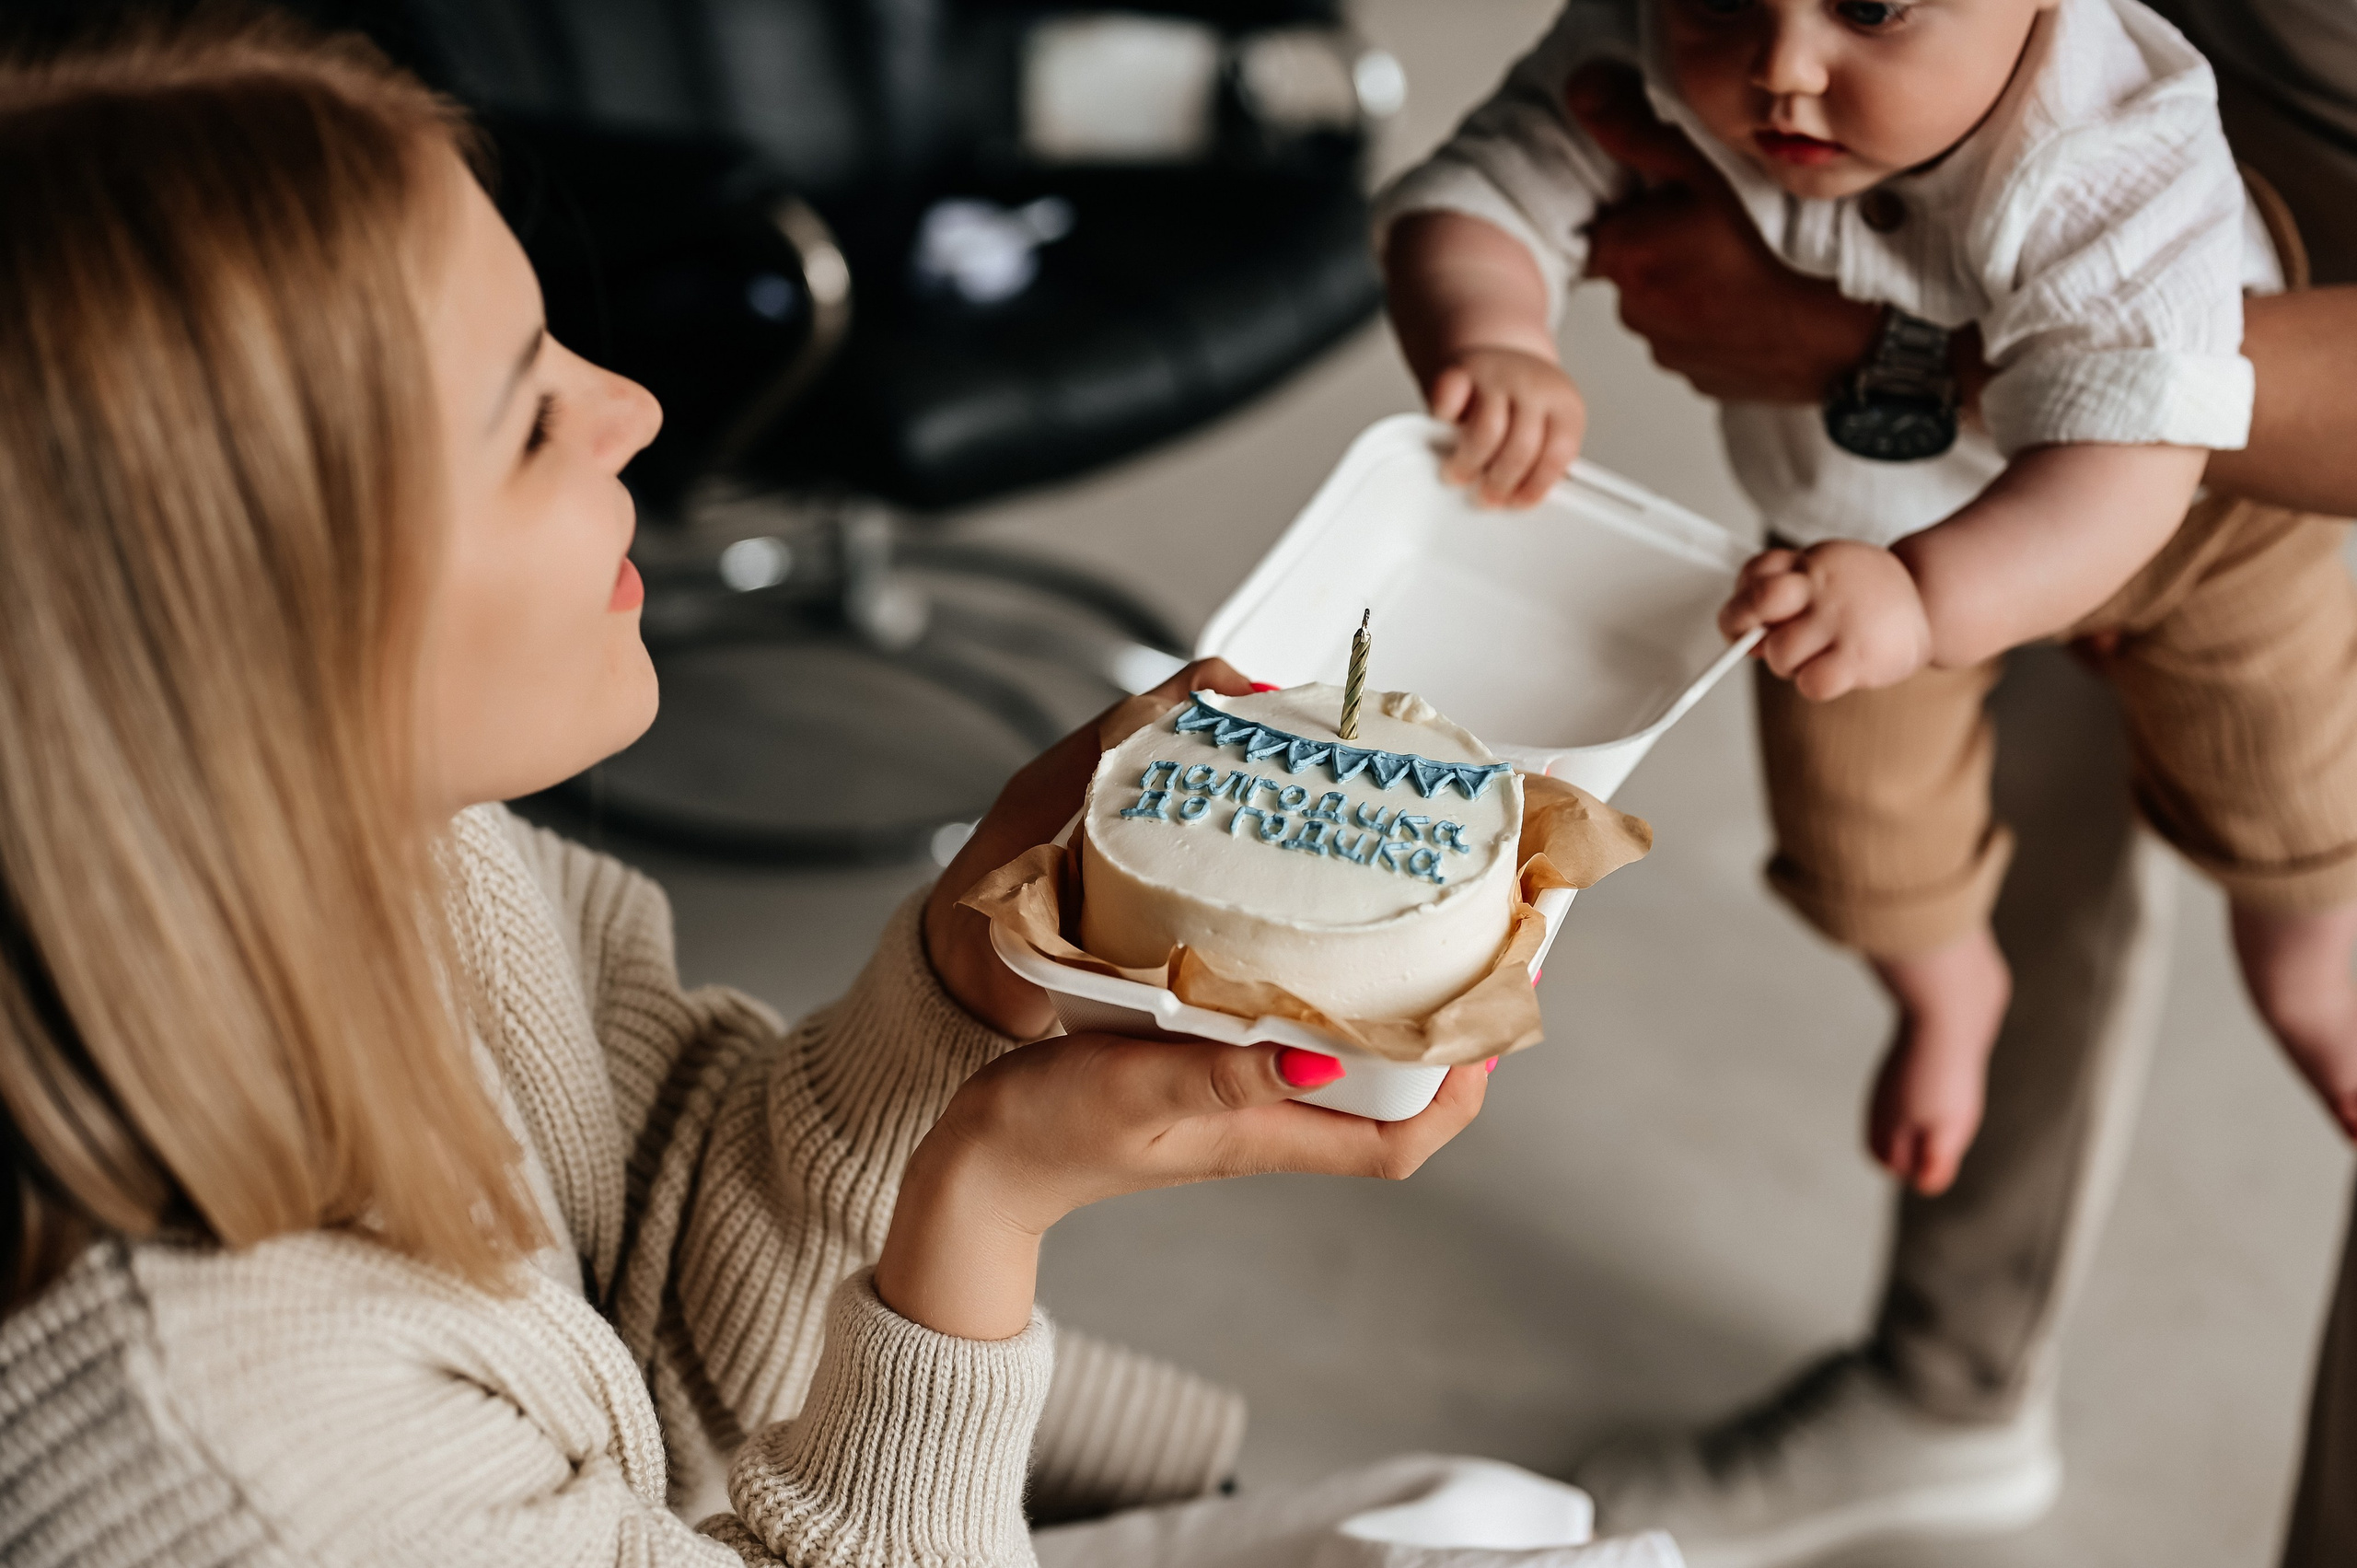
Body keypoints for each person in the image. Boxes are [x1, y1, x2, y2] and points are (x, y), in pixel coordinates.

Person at [0, 16, 1683, 1568]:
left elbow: (658, 1264)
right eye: (529, 423)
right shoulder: (226, 1469)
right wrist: (979, 1216)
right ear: (258, 638)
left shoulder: (408, 849)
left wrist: (961, 985)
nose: (638, 409)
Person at [1517, 17, 2357, 1568]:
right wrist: (1492, 320)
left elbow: (2136, 423)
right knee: (1884, 819)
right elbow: (1512, 158)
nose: (1778, 66)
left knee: (2297, 824)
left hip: (2214, 439)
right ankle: (1949, 1300)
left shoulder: (2113, 125)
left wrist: (1867, 350)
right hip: (1933, 484)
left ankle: (2314, 975)